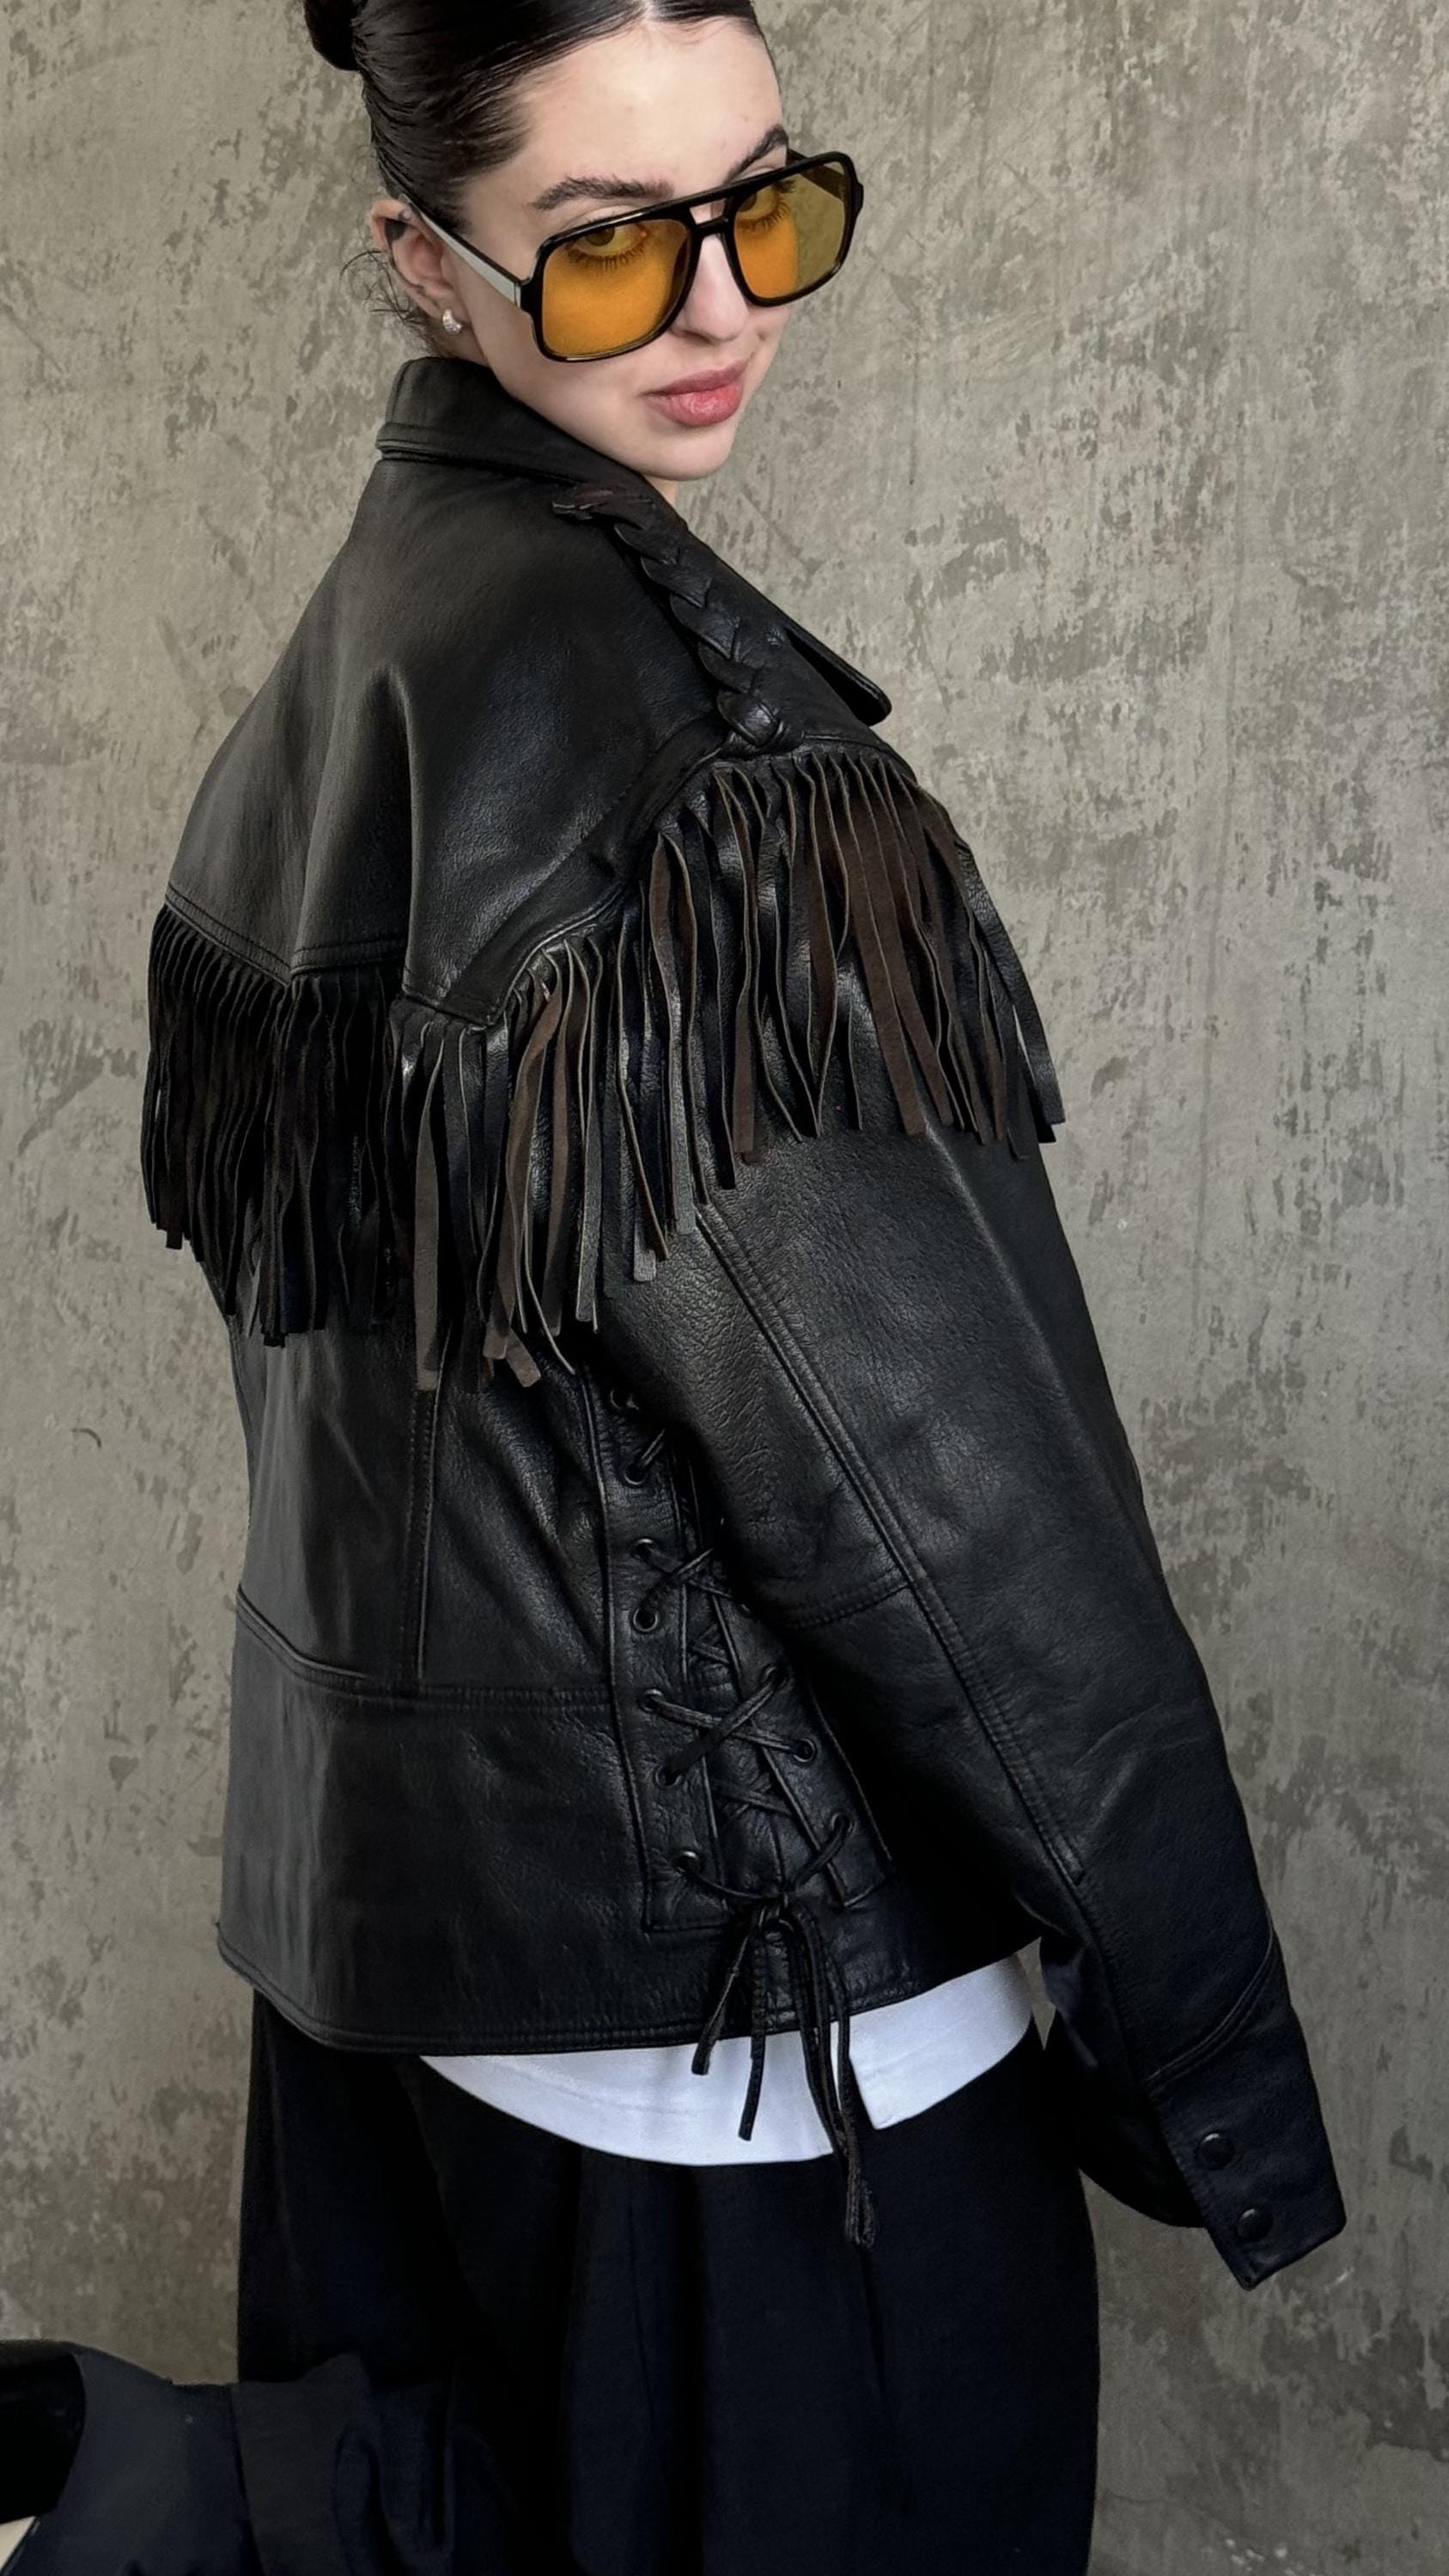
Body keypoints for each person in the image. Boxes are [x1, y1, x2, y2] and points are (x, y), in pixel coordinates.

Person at [0, 3, 1349, 2570]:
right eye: (615, 252)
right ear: (425, 260)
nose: (724, 306)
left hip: (406, 2007)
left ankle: (151, 2498)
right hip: (757, 2089)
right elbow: (971, 1542)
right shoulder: (705, 776)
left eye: (776, 208)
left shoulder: (337, 684)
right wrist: (1215, 2086)